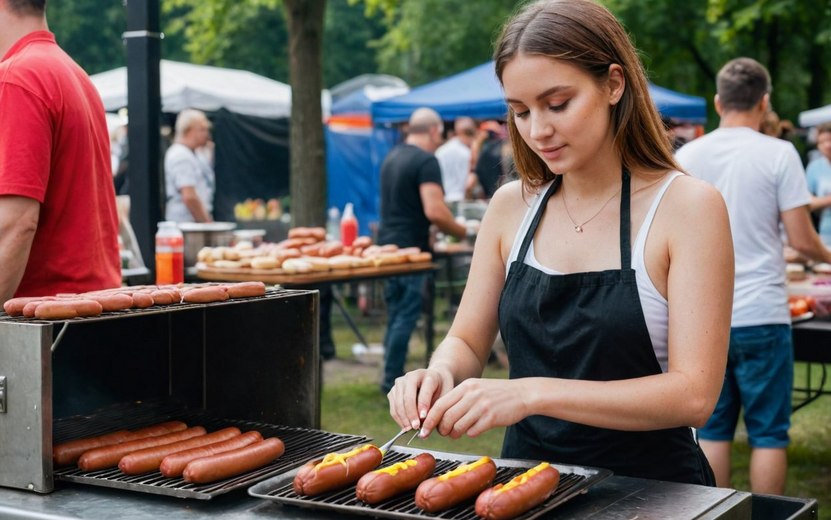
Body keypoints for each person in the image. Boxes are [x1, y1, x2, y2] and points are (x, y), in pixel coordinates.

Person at [387, 0, 734, 486]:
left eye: (557, 104)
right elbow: (466, 339)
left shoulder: (689, 207)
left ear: (614, 84)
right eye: (521, 112)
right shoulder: (511, 206)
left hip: (653, 491)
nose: (537, 131)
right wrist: (440, 371)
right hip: (524, 484)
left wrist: (530, 394)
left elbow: (694, 395)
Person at [676, 57, 831, 495]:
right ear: (764, 103)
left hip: (702, 316)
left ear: (717, 101)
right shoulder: (779, 153)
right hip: (763, 311)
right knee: (768, 434)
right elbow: (801, 239)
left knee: (712, 431)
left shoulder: (686, 156)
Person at [0, 0, 121, 304]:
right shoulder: (74, 73)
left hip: (46, 321)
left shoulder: (16, 77)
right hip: (92, 310)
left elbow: (15, 224)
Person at [378, 107, 466, 393]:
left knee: (395, 314)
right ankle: (392, 380)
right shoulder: (427, 161)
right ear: (433, 131)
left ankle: (388, 375)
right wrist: (464, 232)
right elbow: (435, 210)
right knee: (405, 315)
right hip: (411, 252)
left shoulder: (392, 156)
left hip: (387, 247)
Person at [164, 109, 215, 223]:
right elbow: (189, 197)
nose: (207, 134)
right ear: (188, 131)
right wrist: (207, 224)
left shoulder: (194, 153)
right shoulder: (180, 155)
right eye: (202, 129)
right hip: (187, 226)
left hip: (194, 224)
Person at [435, 116, 477, 204]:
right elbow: (469, 183)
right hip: (461, 198)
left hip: (444, 198)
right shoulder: (467, 153)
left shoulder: (440, 151)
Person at [806, 123, 831, 245]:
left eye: (830, 140)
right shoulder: (814, 167)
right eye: (822, 142)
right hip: (826, 232)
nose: (827, 145)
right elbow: (806, 202)